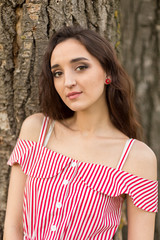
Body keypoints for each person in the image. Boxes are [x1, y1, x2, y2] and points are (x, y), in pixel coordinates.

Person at [3, 25, 158, 240]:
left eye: (81, 67)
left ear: (108, 73)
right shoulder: (36, 131)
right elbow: (13, 228)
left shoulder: (137, 158)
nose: (68, 82)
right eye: (58, 73)